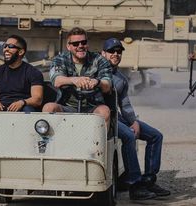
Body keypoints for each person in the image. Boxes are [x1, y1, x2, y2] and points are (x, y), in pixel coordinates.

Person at [102, 38, 171, 200]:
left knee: (155, 136)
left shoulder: (120, 78)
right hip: (102, 116)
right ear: (103, 53)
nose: (116, 54)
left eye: (119, 52)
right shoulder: (96, 71)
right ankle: (134, 185)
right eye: (112, 51)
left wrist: (133, 121)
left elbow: (125, 104)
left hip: (118, 116)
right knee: (129, 135)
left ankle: (148, 180)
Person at [42, 27, 112, 127]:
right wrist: (75, 80)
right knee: (49, 108)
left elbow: (107, 85)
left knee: (104, 111)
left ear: (87, 44)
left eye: (83, 42)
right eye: (75, 44)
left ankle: (99, 141)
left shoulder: (99, 60)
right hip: (66, 106)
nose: (80, 46)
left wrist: (97, 82)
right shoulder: (60, 59)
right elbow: (57, 80)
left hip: (92, 106)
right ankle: (49, 141)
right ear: (68, 46)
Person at [0, 34, 44, 120]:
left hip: (23, 106)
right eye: (5, 46)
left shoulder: (33, 73)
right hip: (2, 106)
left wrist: (22, 102)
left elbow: (37, 99)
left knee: (28, 110)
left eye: (10, 46)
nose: (6, 49)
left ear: (21, 52)